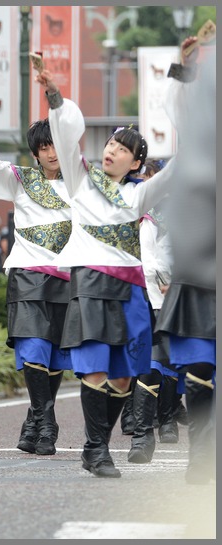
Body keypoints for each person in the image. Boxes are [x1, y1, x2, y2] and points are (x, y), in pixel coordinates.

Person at [37, 65, 171, 478]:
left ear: (136, 163)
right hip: (90, 284)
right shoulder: (80, 179)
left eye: (124, 148)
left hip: (131, 290)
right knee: (94, 367)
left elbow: (181, 169)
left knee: (122, 380)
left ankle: (98, 444)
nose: (112, 149)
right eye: (112, 142)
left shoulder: (140, 193)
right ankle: (96, 449)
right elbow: (63, 135)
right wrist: (55, 96)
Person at [0, 118, 73, 456]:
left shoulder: (84, 182)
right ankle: (46, 422)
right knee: (32, 349)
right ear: (35, 153)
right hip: (27, 274)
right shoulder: (21, 180)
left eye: (56, 144)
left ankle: (34, 419)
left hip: (67, 277)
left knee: (55, 353)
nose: (51, 152)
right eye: (44, 147)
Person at [155, 36, 215, 485]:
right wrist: (186, 65)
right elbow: (179, 111)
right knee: (198, 374)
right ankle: (201, 456)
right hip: (199, 274)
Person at [126, 158, 173, 464]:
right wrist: (164, 277)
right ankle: (142, 435)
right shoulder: (152, 211)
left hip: (185, 296)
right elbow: (150, 254)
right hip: (152, 296)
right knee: (150, 364)